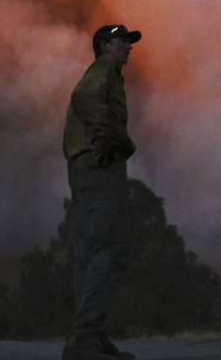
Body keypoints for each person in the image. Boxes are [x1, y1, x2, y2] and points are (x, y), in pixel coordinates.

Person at [61, 24, 141, 360]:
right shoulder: (103, 69)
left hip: (87, 167)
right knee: (106, 250)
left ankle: (92, 337)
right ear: (105, 45)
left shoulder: (108, 73)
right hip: (98, 166)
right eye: (123, 41)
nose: (129, 47)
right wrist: (106, 138)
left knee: (91, 252)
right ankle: (86, 340)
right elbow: (83, 98)